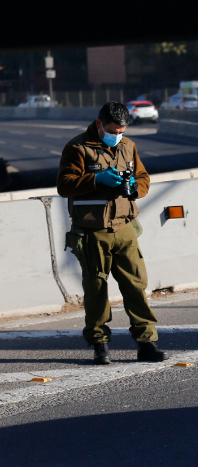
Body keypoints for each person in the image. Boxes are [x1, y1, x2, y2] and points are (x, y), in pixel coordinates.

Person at [57, 102, 166, 365]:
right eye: (111, 130)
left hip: (125, 228)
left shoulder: (127, 146)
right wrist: (96, 179)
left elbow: (143, 178)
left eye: (121, 130)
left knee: (136, 286)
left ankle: (147, 343)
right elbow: (64, 185)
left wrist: (134, 188)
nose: (116, 135)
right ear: (98, 124)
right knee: (96, 290)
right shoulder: (78, 148)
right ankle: (100, 344)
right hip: (93, 232)